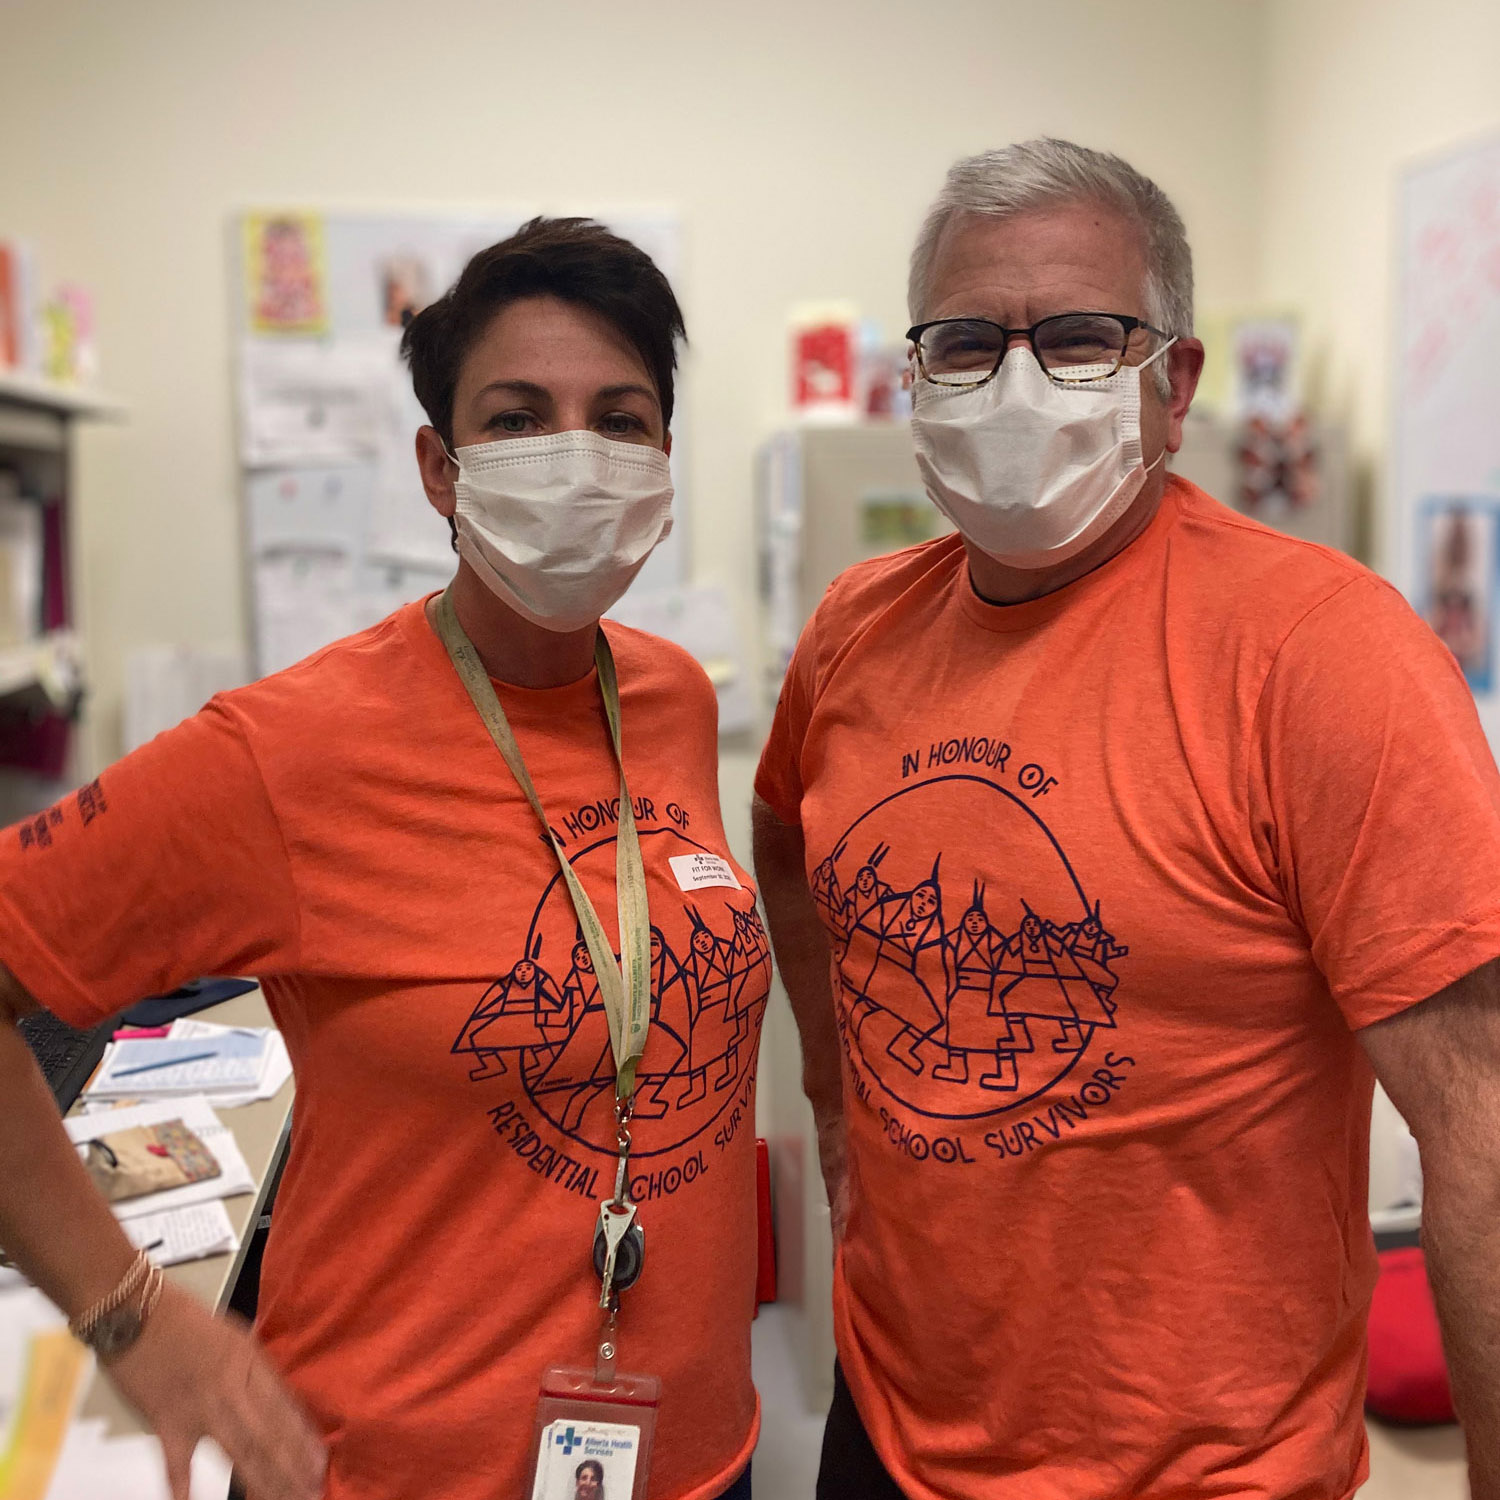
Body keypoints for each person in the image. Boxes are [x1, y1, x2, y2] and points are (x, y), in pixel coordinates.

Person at [752, 138, 1500, 1500]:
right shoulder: (855, 628)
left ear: (1177, 389)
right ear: (915, 380)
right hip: (888, 1427)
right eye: (968, 342)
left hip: (1200, 1468)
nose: (1020, 382)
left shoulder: (1324, 653)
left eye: (1083, 339)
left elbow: (1483, 1131)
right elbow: (792, 854)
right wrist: (832, 1100)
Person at [0, 218, 765, 1500]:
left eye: (619, 419)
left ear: (664, 462)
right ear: (439, 467)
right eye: (518, 418)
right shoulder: (286, 751)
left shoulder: (673, 696)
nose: (574, 456)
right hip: (398, 1465)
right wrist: (126, 1312)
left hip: (685, 1455)